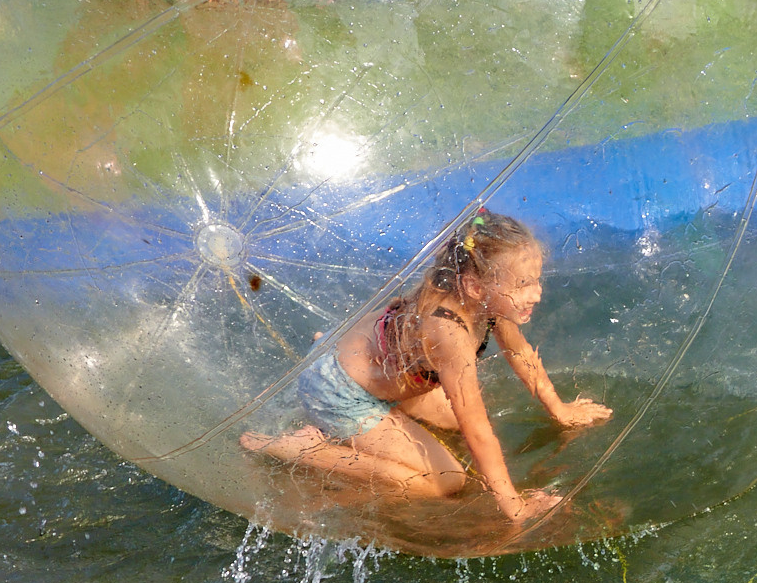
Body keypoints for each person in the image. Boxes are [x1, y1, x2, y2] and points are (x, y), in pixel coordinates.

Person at [240, 211, 611, 524]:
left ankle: (386, 403)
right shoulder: (448, 332)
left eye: (536, 280)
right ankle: (298, 448)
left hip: (375, 367)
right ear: (476, 287)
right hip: (340, 390)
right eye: (524, 284)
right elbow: (477, 429)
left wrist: (560, 410)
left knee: (450, 422)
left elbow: (520, 353)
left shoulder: (489, 303)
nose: (537, 293)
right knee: (446, 481)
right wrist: (514, 507)